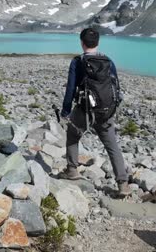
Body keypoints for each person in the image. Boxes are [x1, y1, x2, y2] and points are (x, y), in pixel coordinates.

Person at [58, 28, 130, 197]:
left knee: (73, 136)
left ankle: (72, 170)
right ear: (98, 42)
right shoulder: (108, 61)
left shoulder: (78, 62)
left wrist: (66, 111)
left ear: (82, 42)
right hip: (106, 111)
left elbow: (70, 88)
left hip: (84, 110)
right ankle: (123, 183)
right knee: (111, 145)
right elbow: (115, 87)